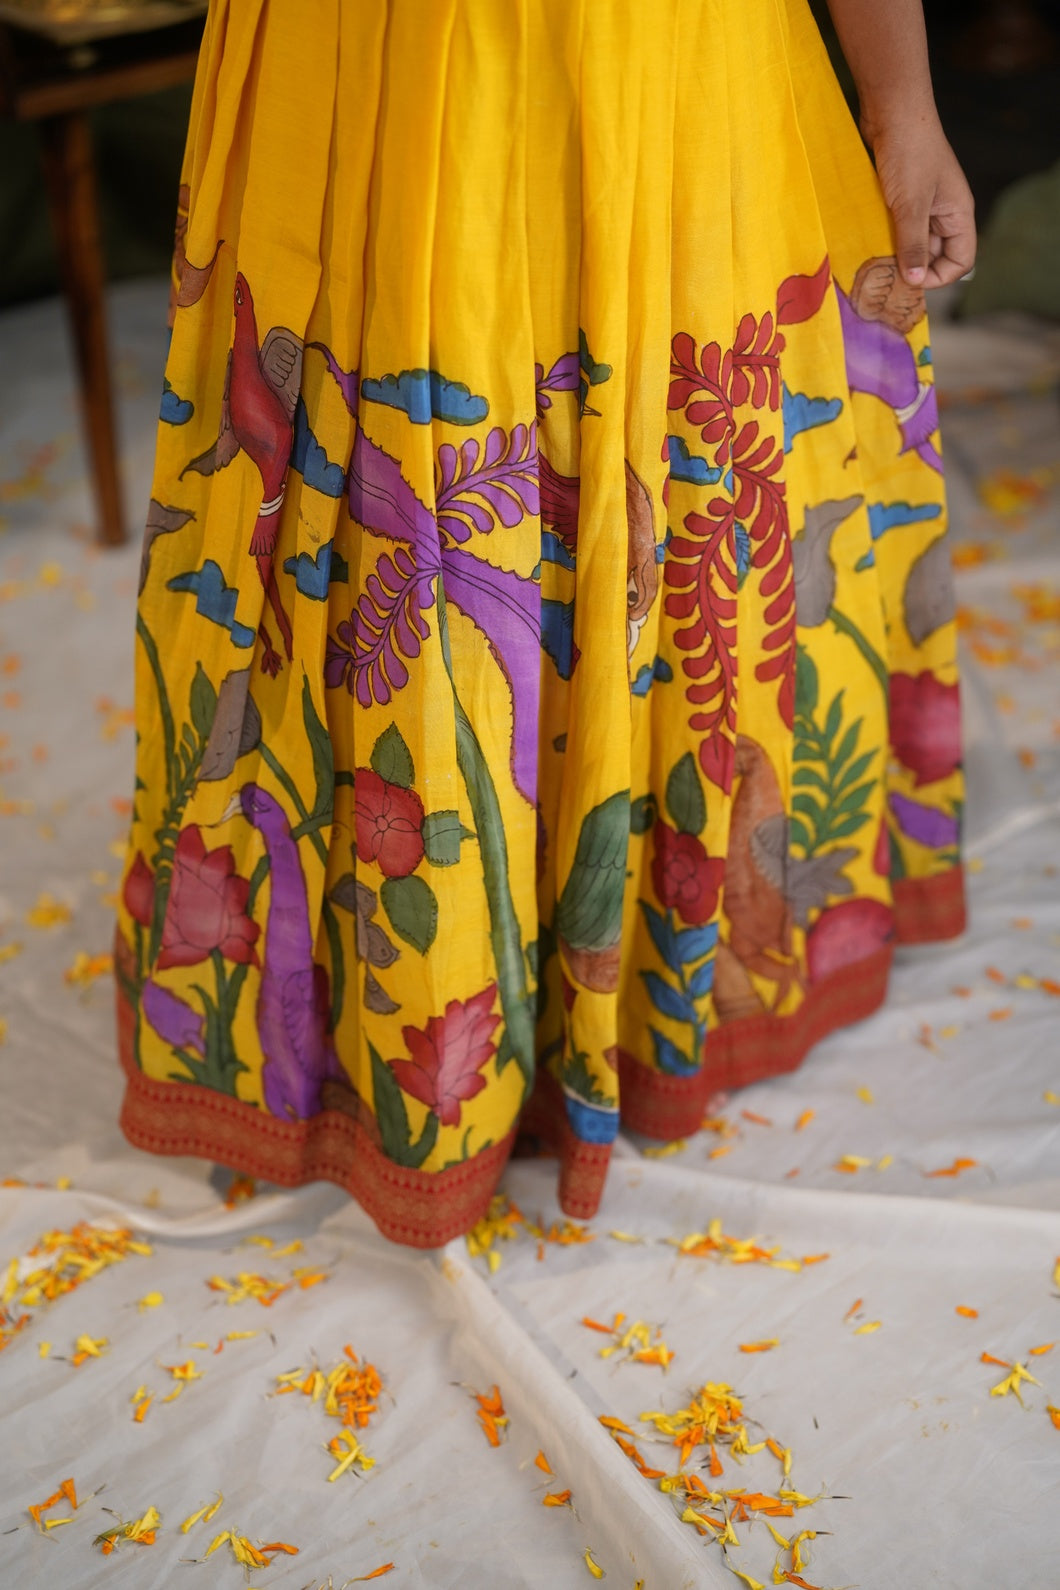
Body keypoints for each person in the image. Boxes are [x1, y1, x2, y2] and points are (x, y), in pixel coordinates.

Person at [115, 0, 976, 1248]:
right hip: (375, 73)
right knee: (390, 525)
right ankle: (404, 1008)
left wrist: (900, 106)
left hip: (656, 69)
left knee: (655, 501)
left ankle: (622, 983)